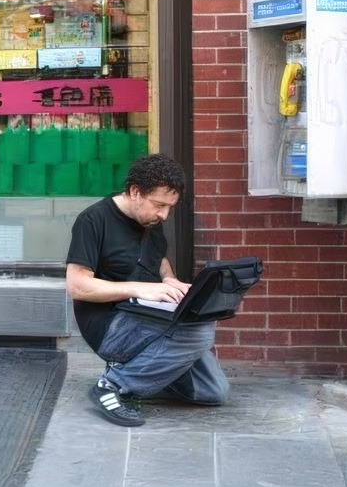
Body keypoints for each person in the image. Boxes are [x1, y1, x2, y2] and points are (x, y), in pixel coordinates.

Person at [65, 153, 229, 427]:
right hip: (110, 325)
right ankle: (113, 384)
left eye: (170, 207)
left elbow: (158, 259)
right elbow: (77, 285)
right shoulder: (93, 220)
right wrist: (141, 289)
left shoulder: (149, 221)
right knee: (200, 331)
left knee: (214, 391)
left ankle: (135, 377)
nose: (164, 214)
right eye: (159, 205)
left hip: (147, 319)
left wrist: (168, 280)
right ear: (135, 192)